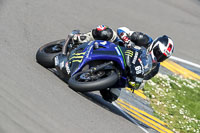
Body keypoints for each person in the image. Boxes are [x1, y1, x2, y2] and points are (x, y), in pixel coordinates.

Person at [71, 25, 174, 90]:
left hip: (125, 70)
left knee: (111, 97)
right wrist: (128, 41)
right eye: (158, 52)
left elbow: (143, 80)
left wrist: (137, 84)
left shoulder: (154, 68)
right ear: (154, 45)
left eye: (162, 57)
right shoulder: (144, 39)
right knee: (104, 31)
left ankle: (96, 78)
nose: (158, 57)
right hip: (118, 48)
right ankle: (81, 38)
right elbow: (122, 30)